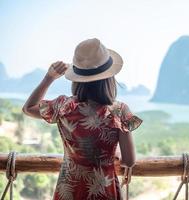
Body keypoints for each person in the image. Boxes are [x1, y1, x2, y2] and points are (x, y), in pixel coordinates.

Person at [22, 38, 143, 200]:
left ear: (77, 78)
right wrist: (112, 152)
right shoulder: (119, 111)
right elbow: (129, 161)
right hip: (104, 190)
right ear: (109, 78)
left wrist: (49, 78)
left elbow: (28, 108)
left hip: (69, 189)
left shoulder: (63, 106)